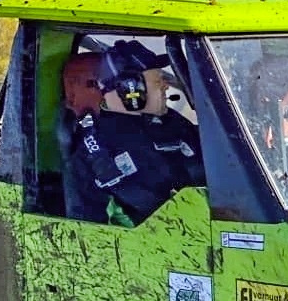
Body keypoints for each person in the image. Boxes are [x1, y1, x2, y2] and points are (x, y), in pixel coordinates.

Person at [62, 41, 206, 225]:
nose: (165, 86)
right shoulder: (96, 152)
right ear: (131, 87)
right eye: (158, 80)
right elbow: (87, 230)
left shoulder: (171, 122)